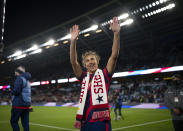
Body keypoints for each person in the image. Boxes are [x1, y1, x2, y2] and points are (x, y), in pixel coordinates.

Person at [70, 16, 120, 131]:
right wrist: (73, 41)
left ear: (97, 61)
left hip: (102, 124)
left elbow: (114, 56)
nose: (90, 62)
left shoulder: (105, 74)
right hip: (85, 123)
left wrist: (116, 34)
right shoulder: (83, 77)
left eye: (92, 59)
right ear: (85, 65)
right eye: (87, 61)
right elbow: (73, 62)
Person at [10, 66, 32, 131]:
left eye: (15, 72)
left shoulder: (19, 78)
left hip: (18, 103)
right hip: (27, 104)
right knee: (25, 123)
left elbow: (17, 91)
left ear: (18, 72)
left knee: (13, 121)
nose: (15, 74)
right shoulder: (27, 80)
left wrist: (11, 91)